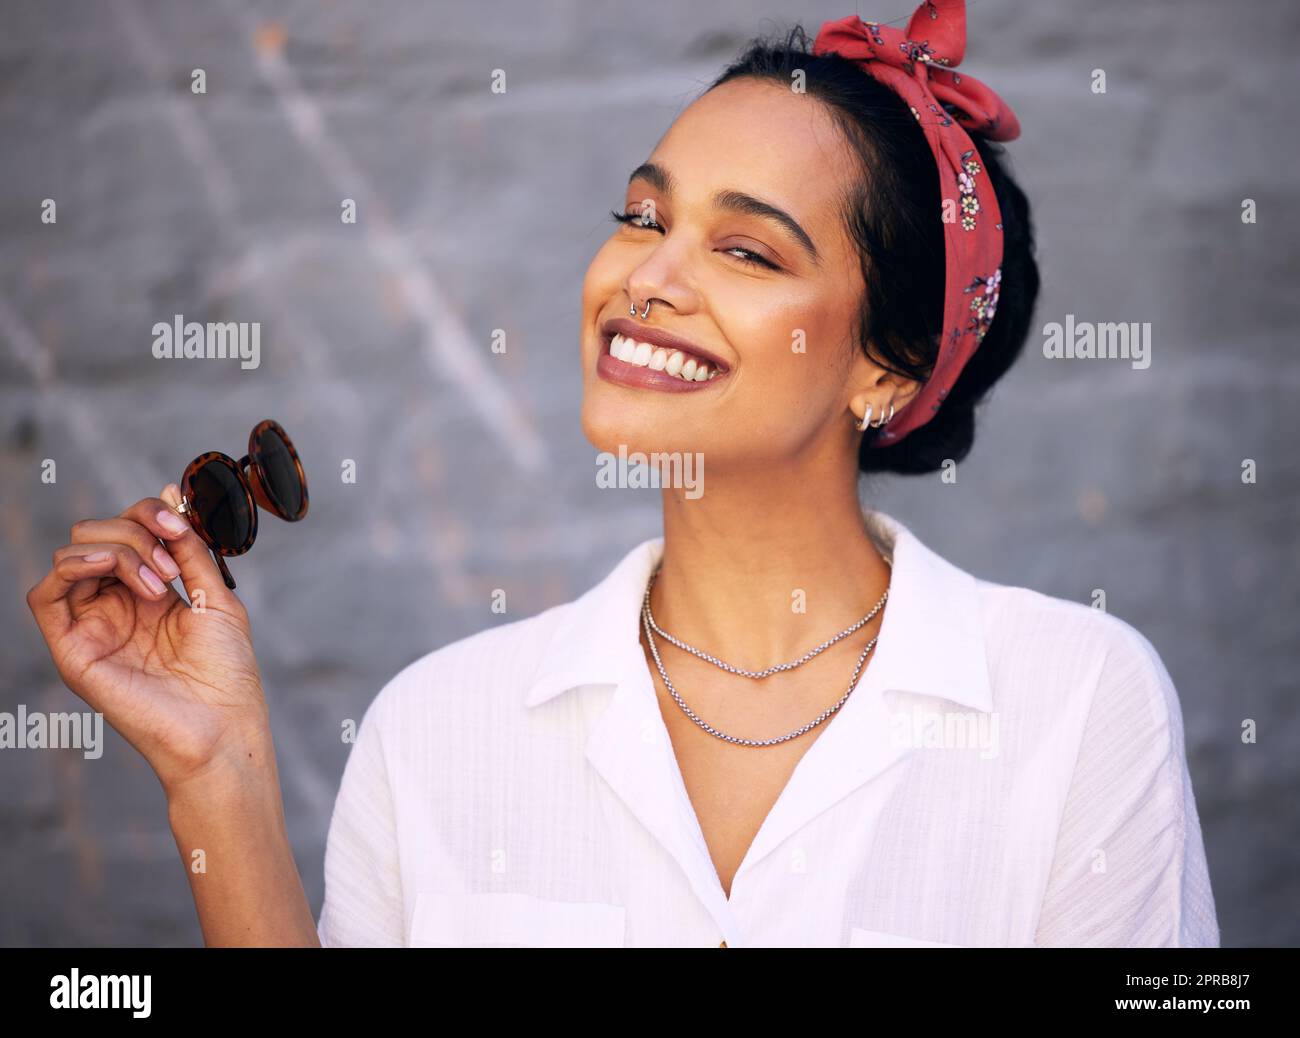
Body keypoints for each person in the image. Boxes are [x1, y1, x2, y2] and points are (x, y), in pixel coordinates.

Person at [25, 3, 1218, 947]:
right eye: (643, 217)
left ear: (886, 374)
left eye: (747, 248)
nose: (646, 278)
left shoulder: (1074, 708)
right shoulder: (437, 730)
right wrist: (214, 780)